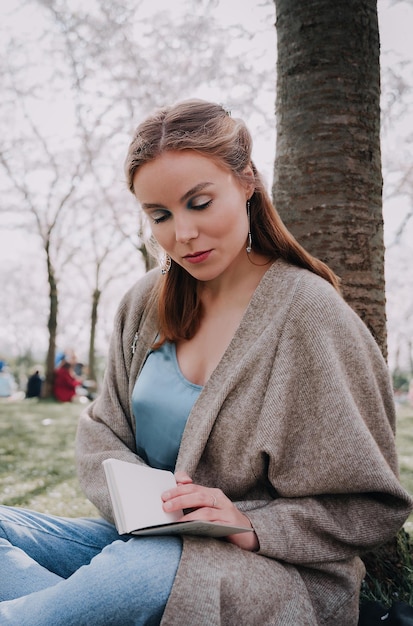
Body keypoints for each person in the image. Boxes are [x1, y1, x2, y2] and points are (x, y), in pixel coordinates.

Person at [0, 99, 412, 625]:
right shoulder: (144, 302)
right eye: (161, 215)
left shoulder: (311, 316)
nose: (183, 234)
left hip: (274, 571)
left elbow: (372, 504)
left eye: (199, 202)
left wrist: (249, 524)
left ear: (246, 183)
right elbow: (101, 431)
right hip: (142, 544)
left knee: (137, 574)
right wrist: (152, 505)